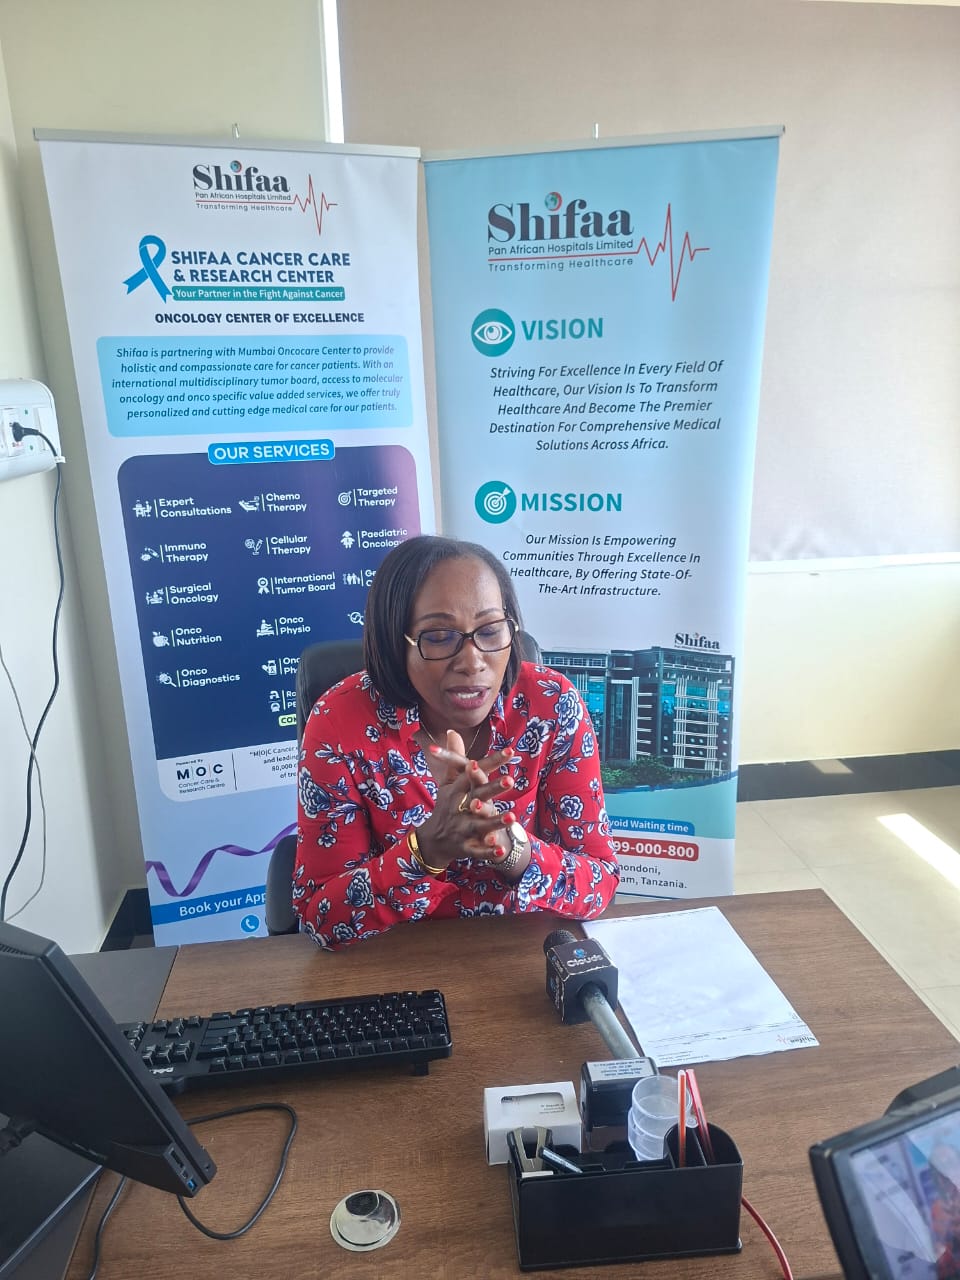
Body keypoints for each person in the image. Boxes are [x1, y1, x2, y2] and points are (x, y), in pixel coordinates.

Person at [293, 535, 619, 949]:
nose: (472, 661)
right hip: (392, 960)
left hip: (520, 953)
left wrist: (512, 850)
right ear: (395, 643)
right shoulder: (339, 722)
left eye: (490, 631)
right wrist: (426, 850)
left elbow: (599, 882)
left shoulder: (550, 705)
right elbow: (320, 917)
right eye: (439, 636)